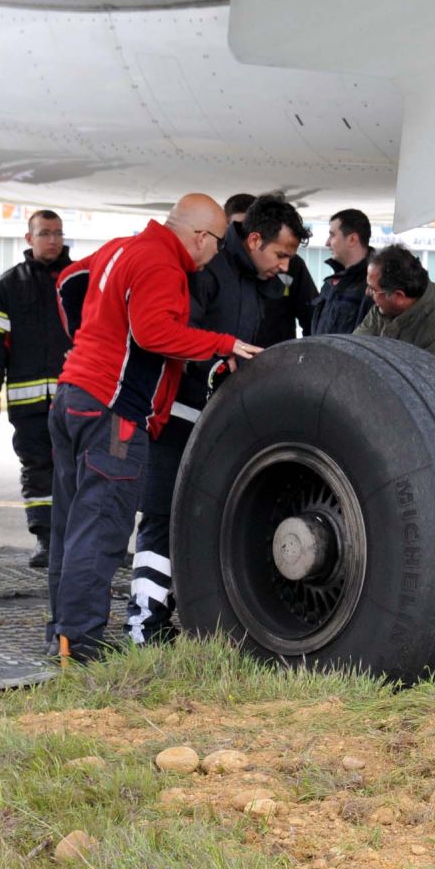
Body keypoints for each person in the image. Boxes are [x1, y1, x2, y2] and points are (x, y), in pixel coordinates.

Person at [49, 193, 260, 662]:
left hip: (73, 397)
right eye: (218, 244)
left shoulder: (122, 247)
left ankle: (61, 633)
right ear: (200, 237)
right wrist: (224, 343)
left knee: (71, 525)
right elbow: (153, 333)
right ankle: (81, 642)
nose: (214, 257)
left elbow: (68, 282)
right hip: (113, 411)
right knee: (102, 526)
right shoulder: (164, 264)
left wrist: (89, 342)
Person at [125, 195, 307, 644]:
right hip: (178, 419)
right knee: (162, 517)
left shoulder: (255, 282)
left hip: (218, 422)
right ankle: (142, 624)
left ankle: (177, 617)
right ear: (255, 239)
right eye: (281, 254)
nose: (285, 267)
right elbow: (178, 339)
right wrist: (214, 364)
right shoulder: (206, 276)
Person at [0, 210, 72, 568]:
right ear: (28, 238)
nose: (53, 240)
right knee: (37, 468)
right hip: (28, 401)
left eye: (58, 233)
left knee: (77, 469)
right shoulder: (8, 285)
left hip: (76, 395)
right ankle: (46, 541)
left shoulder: (79, 277)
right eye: (45, 233)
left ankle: (76, 541)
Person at [354, 243, 435, 379]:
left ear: (398, 296)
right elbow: (354, 353)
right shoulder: (383, 308)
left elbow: (411, 387)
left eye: (372, 289)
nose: (367, 293)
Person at [310, 208, 373, 335]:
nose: (327, 243)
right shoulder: (330, 284)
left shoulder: (373, 285)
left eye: (332, 235)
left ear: (352, 239)